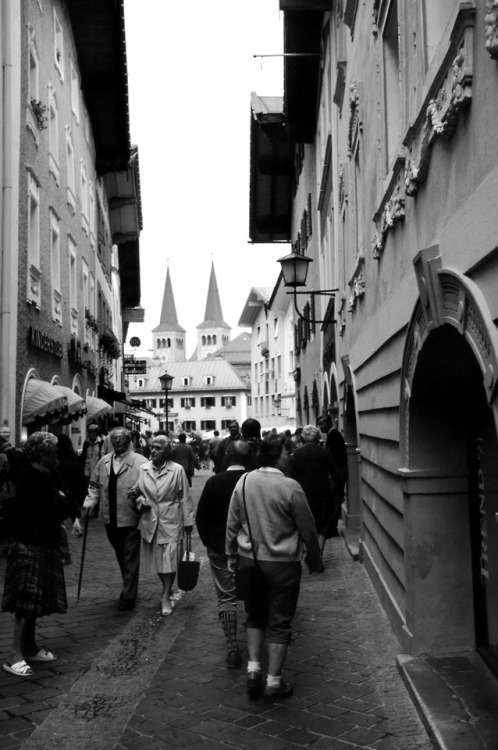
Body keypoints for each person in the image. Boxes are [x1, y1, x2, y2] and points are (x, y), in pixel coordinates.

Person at [226, 433, 323, 703]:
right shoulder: (290, 486)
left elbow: (232, 521)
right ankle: (273, 682)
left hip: (250, 562)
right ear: (274, 455)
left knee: (255, 616)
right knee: (279, 622)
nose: (289, 455)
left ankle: (253, 671)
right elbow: (308, 529)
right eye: (285, 451)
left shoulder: (244, 481)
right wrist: (315, 560)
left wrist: (230, 553)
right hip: (282, 565)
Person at [1, 432, 75, 678]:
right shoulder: (30, 476)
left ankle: (29, 647)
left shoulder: (49, 473)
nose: (56, 455)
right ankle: (14, 655)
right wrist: (61, 501)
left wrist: (62, 501)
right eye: (52, 452)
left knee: (34, 601)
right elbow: (47, 509)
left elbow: (65, 501)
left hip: (44, 542)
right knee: (25, 601)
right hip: (29, 543)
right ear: (43, 454)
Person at [196, 441, 252, 669]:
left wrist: (212, 544)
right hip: (251, 550)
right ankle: (256, 643)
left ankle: (232, 648)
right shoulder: (254, 482)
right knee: (253, 595)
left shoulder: (214, 482)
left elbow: (202, 518)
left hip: (221, 550)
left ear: (228, 456)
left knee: (226, 599)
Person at [82, 427, 147, 611]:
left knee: (130, 556)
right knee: (121, 555)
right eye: (114, 439)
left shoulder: (140, 462)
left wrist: (141, 499)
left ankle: (128, 595)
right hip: (110, 517)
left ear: (128, 441)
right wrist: (89, 505)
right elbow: (94, 486)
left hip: (130, 516)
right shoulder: (103, 462)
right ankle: (128, 587)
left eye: (121, 439)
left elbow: (148, 486)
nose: (117, 442)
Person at [131, 436, 194, 616]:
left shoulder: (177, 470)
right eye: (152, 447)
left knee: (170, 560)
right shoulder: (143, 469)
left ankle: (165, 595)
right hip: (150, 519)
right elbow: (136, 491)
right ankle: (165, 587)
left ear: (167, 452)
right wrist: (139, 500)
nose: (153, 451)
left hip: (171, 519)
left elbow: (185, 497)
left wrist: (188, 521)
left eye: (158, 448)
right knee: (159, 563)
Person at [291, 425, 337, 555]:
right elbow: (335, 472)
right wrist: (337, 492)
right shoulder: (324, 452)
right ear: (317, 438)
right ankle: (318, 556)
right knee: (322, 527)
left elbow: (292, 476)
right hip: (323, 494)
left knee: (306, 524)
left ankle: (310, 553)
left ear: (303, 438)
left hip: (303, 495)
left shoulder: (297, 454)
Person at [55, 435, 85, 564]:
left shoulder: (56, 461)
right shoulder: (74, 459)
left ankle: (63, 554)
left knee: (59, 526)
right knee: (59, 526)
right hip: (70, 495)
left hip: (62, 494)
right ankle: (64, 553)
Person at [317, 414, 348, 536]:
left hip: (338, 472)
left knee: (335, 499)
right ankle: (332, 527)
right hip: (338, 471)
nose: (320, 427)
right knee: (334, 499)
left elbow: (335, 458)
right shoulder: (331, 435)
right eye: (319, 424)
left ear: (329, 423)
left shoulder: (334, 435)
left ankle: (332, 528)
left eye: (322, 424)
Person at [81, 424, 104, 492]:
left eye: (93, 432)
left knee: (96, 491)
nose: (91, 434)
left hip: (97, 471)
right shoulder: (86, 443)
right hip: (87, 471)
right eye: (90, 432)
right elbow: (84, 456)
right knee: (88, 490)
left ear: (96, 433)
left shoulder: (101, 443)